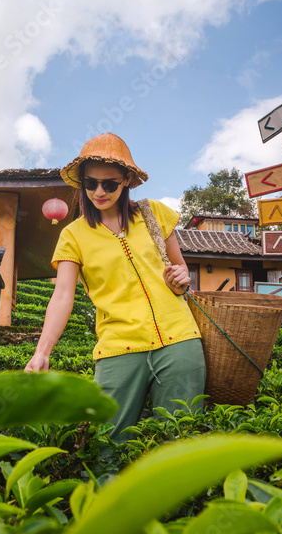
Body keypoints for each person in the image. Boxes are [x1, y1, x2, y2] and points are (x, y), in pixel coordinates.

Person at [24, 132, 206, 441]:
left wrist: (179, 279)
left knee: (181, 439)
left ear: (126, 181)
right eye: (91, 183)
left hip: (180, 341)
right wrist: (43, 351)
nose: (99, 191)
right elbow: (63, 295)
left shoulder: (155, 214)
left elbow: (181, 270)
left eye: (109, 184)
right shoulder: (73, 235)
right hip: (117, 346)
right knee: (109, 443)